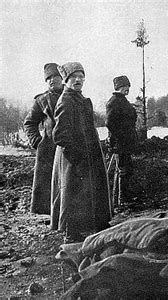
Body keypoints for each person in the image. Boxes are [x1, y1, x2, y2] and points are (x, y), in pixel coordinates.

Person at [51, 62, 111, 242]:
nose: (78, 80)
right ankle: (71, 232)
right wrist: (76, 157)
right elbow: (60, 135)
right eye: (73, 77)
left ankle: (97, 223)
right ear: (66, 80)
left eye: (81, 76)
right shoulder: (66, 100)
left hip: (87, 153)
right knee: (73, 192)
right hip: (72, 157)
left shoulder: (78, 98)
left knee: (89, 188)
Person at [23, 63, 63, 214]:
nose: (52, 80)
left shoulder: (70, 96)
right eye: (49, 78)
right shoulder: (42, 100)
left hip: (69, 146)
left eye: (55, 77)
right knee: (49, 183)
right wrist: (37, 141)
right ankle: (50, 213)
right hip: (49, 148)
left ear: (62, 78)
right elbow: (29, 123)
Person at [105, 75, 137, 203]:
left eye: (128, 87)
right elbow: (109, 123)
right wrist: (120, 136)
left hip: (125, 141)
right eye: (124, 87)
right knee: (122, 169)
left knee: (127, 168)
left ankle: (123, 196)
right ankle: (120, 198)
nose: (127, 89)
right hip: (119, 142)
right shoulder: (114, 101)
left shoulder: (123, 100)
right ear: (118, 88)